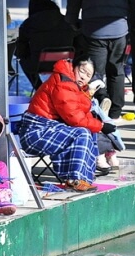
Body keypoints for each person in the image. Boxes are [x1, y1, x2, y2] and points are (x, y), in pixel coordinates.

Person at [17, 58, 116, 192]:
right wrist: (101, 126)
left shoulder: (76, 88)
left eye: (88, 75)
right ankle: (75, 179)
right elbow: (74, 118)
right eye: (82, 71)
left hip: (50, 128)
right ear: (74, 67)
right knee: (82, 133)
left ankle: (85, 178)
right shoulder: (63, 83)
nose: (83, 77)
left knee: (89, 132)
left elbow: (83, 114)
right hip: (35, 132)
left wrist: (99, 125)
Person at [15, 0, 79, 89]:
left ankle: (39, 87)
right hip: (65, 63)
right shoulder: (66, 21)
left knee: (22, 59)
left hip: (38, 65)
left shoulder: (28, 24)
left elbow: (21, 51)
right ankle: (62, 86)